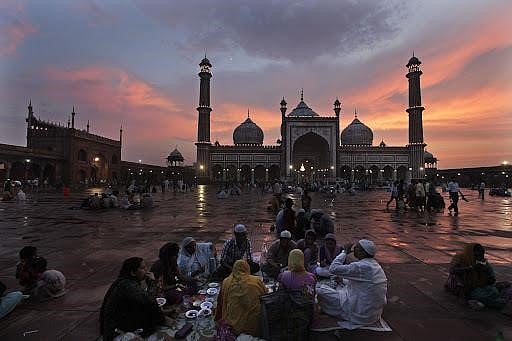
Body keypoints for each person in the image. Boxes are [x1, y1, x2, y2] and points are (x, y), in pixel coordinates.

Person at [317, 239, 387, 327]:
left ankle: (342, 311)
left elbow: (333, 268)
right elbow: (363, 284)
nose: (353, 249)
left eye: (356, 247)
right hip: (373, 315)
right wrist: (342, 280)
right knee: (341, 285)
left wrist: (344, 252)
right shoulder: (376, 266)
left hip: (360, 315)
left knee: (320, 292)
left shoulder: (361, 266)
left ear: (362, 252)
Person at [100, 257, 165, 341]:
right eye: (142, 268)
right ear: (133, 273)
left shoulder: (128, 282)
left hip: (123, 319)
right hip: (115, 330)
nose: (146, 270)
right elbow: (150, 301)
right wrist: (152, 282)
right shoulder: (127, 285)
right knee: (152, 312)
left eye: (145, 267)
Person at [215, 260, 268, 338]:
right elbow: (266, 296)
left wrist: (217, 319)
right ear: (247, 268)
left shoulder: (226, 281)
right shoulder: (256, 281)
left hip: (232, 328)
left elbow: (220, 303)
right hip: (254, 328)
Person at [445, 243, 506, 310]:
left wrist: (486, 272)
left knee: (494, 292)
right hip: (466, 285)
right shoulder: (461, 258)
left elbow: (492, 280)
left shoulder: (483, 262)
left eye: (482, 255)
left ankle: (490, 303)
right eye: (477, 255)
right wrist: (470, 268)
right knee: (481, 296)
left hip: (481, 287)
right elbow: (452, 270)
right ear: (471, 253)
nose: (480, 257)